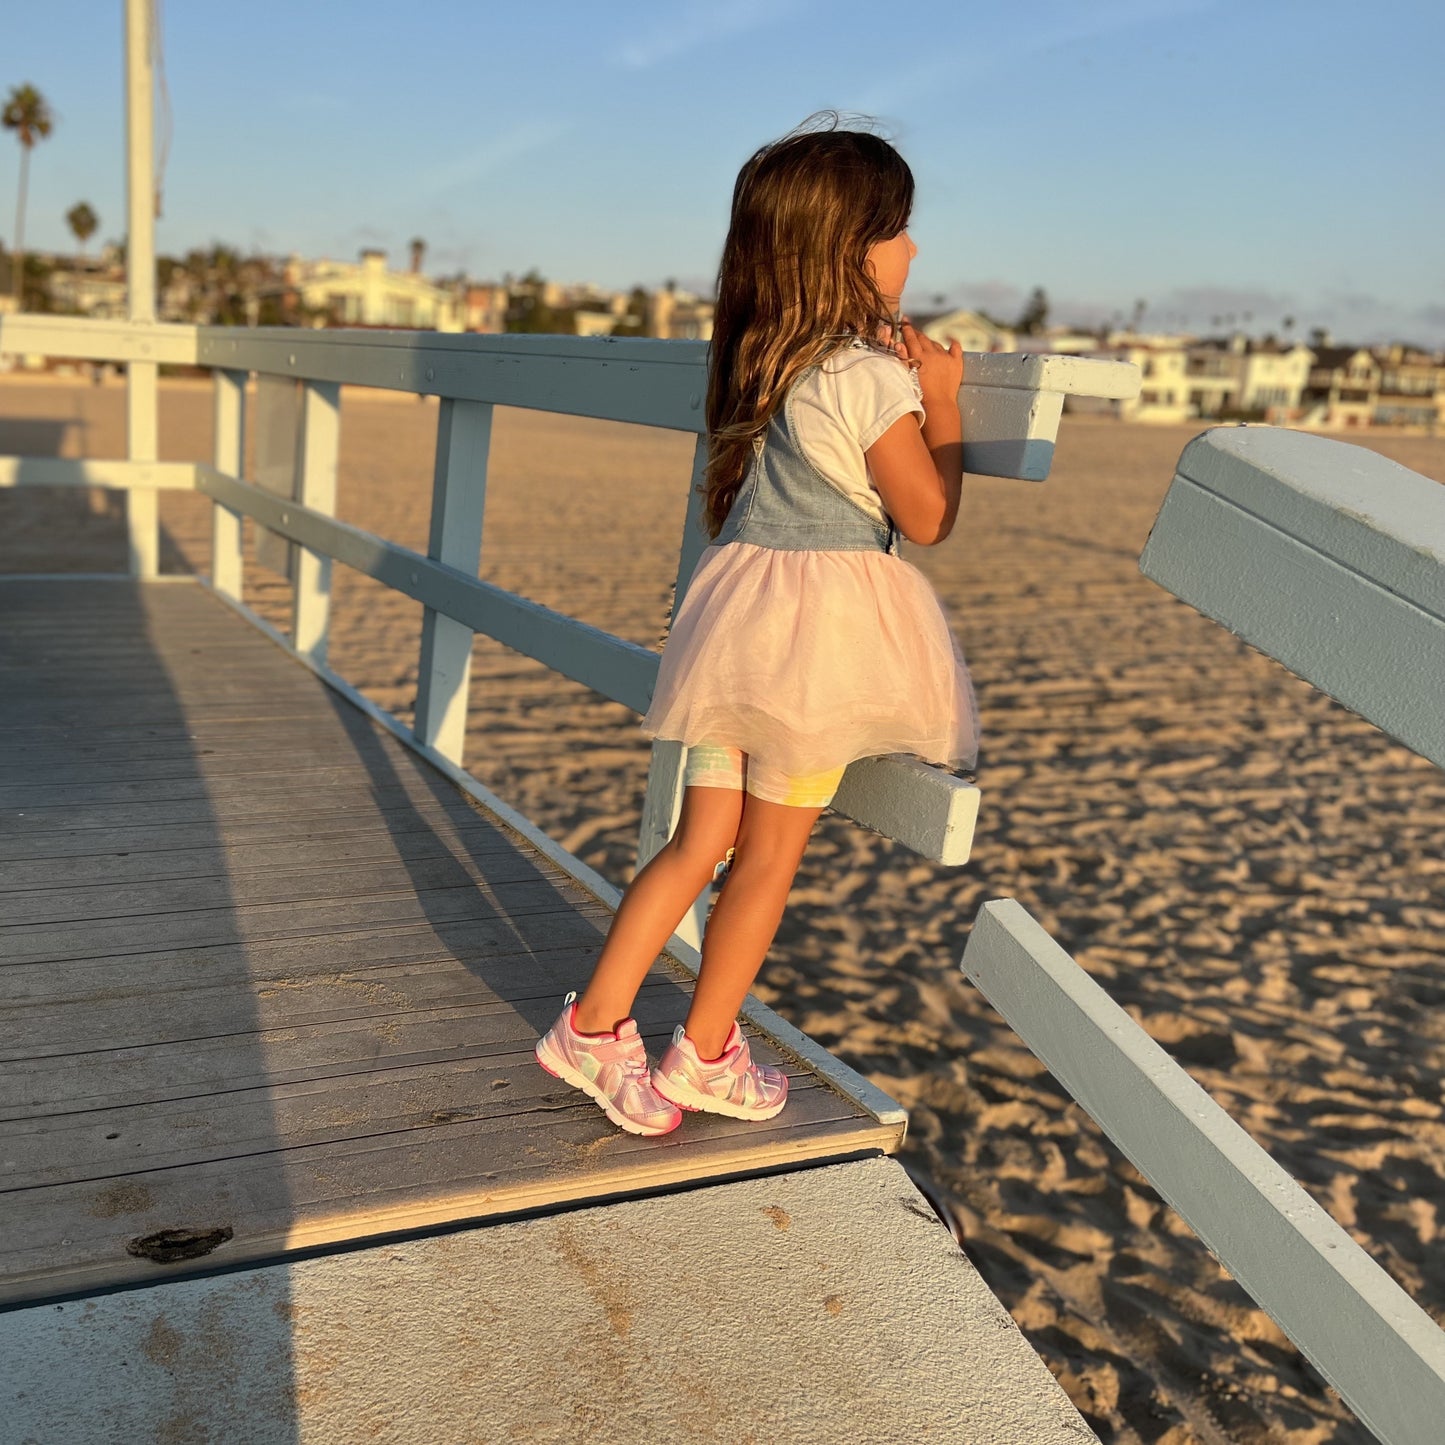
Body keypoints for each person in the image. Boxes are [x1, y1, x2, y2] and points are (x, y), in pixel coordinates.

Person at [535, 116, 978, 1136]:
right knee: (768, 856)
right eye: (897, 230)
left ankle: (594, 1027)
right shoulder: (867, 378)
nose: (911, 249)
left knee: (698, 842)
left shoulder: (763, 360)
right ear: (849, 250)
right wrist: (942, 404)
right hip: (812, 646)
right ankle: (705, 1048)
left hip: (732, 623)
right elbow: (926, 517)